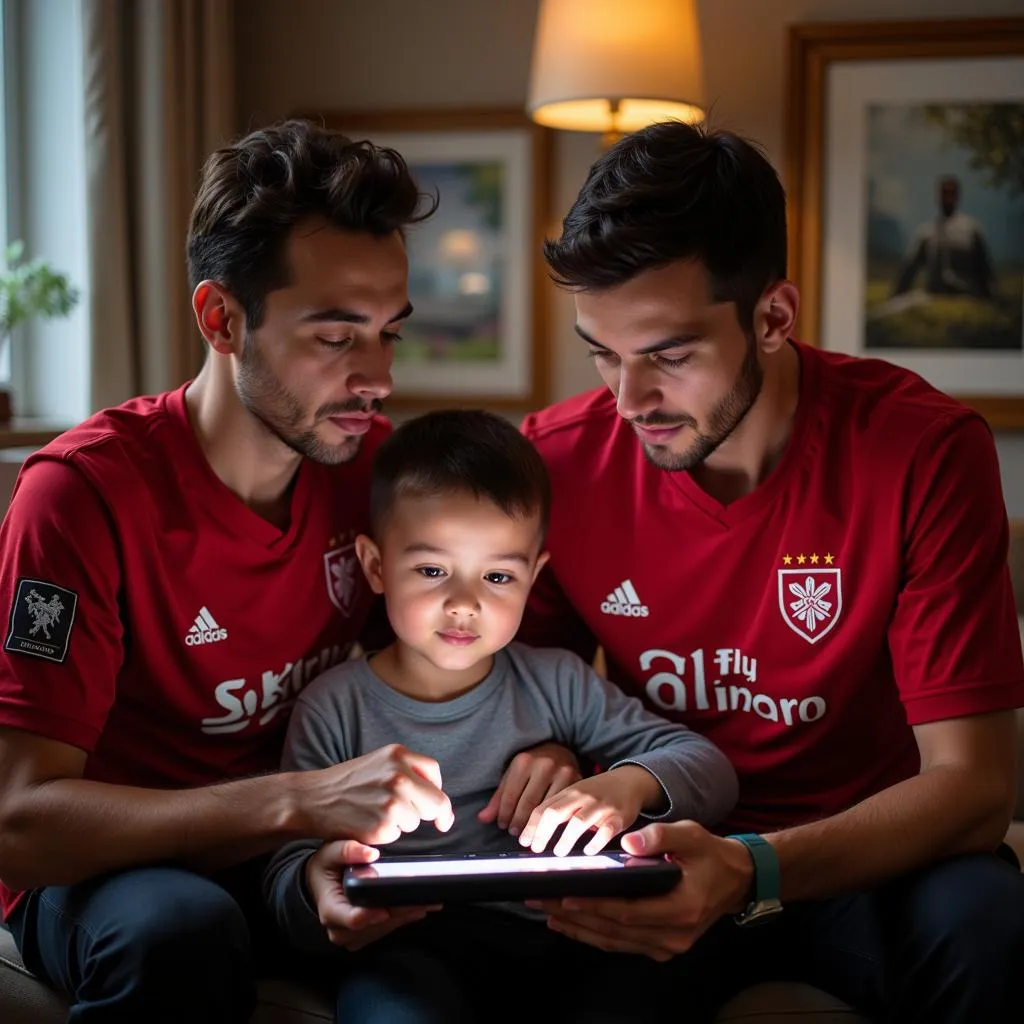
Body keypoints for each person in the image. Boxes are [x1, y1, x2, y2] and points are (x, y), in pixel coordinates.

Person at [0, 119, 572, 1023]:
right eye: (337, 336)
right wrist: (297, 801)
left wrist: (548, 751)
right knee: (179, 929)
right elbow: (18, 825)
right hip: (123, 881)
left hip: (314, 862)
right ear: (220, 319)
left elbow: (489, 663)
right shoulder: (82, 496)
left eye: (389, 333)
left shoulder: (381, 478)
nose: (378, 375)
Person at [516, 120, 1024, 1023]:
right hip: (660, 847)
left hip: (877, 855)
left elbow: (976, 786)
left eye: (670, 356)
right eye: (602, 353)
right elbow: (529, 696)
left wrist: (755, 867)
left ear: (773, 318)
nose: (629, 402)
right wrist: (548, 754)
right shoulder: (556, 461)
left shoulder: (922, 450)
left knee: (989, 925)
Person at [263, 408, 739, 1024]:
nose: (465, 603)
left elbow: (709, 768)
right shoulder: (334, 706)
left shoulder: (557, 682)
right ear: (376, 566)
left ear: (533, 576)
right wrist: (315, 882)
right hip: (411, 946)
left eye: (497, 575)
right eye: (432, 570)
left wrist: (624, 785)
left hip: (564, 934)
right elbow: (284, 870)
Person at [892, 174, 997, 299]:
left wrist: (991, 297)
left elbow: (985, 269)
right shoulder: (926, 233)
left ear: (957, 196)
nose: (947, 198)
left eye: (951, 193)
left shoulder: (971, 230)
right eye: (944, 193)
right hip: (934, 296)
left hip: (966, 296)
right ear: (938, 196)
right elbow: (908, 270)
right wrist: (896, 296)